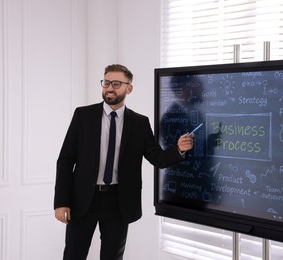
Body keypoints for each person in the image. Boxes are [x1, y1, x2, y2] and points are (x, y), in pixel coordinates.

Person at [54, 64, 194, 260]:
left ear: (129, 88)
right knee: (73, 255)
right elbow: (66, 159)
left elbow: (156, 158)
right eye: (106, 82)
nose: (109, 88)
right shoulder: (83, 116)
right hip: (83, 199)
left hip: (118, 202)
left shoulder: (139, 123)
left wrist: (178, 148)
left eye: (116, 83)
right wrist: (61, 202)